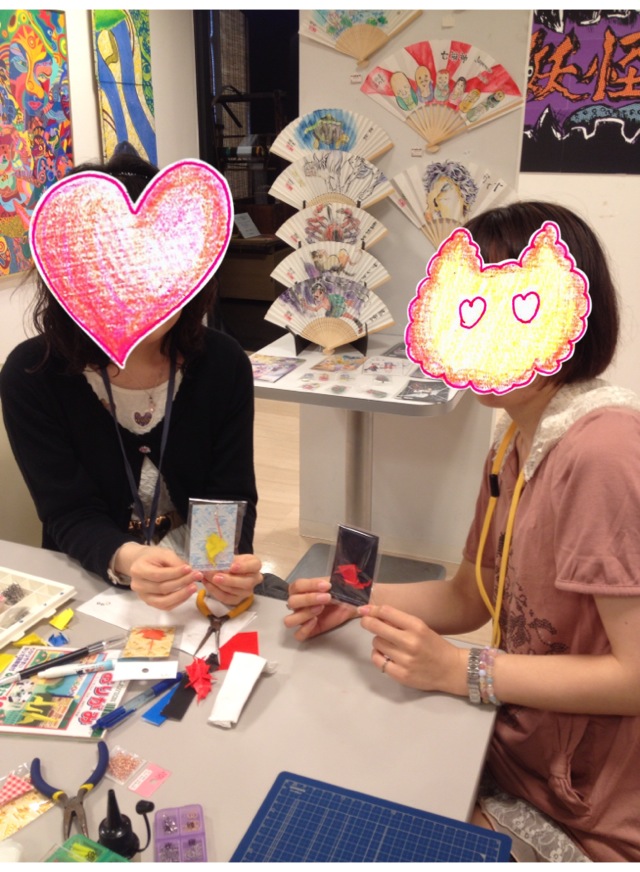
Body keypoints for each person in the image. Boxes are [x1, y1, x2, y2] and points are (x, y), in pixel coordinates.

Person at [284, 201, 640, 862]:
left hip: (587, 810)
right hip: (513, 750)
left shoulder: (603, 454)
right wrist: (355, 598)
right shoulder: (512, 441)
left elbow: (633, 676)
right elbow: (469, 597)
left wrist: (464, 670)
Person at [0, 147, 263, 611]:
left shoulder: (222, 364)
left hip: (198, 585)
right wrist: (127, 559)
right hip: (92, 579)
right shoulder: (32, 374)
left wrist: (219, 566)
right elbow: (67, 510)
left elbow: (228, 494)